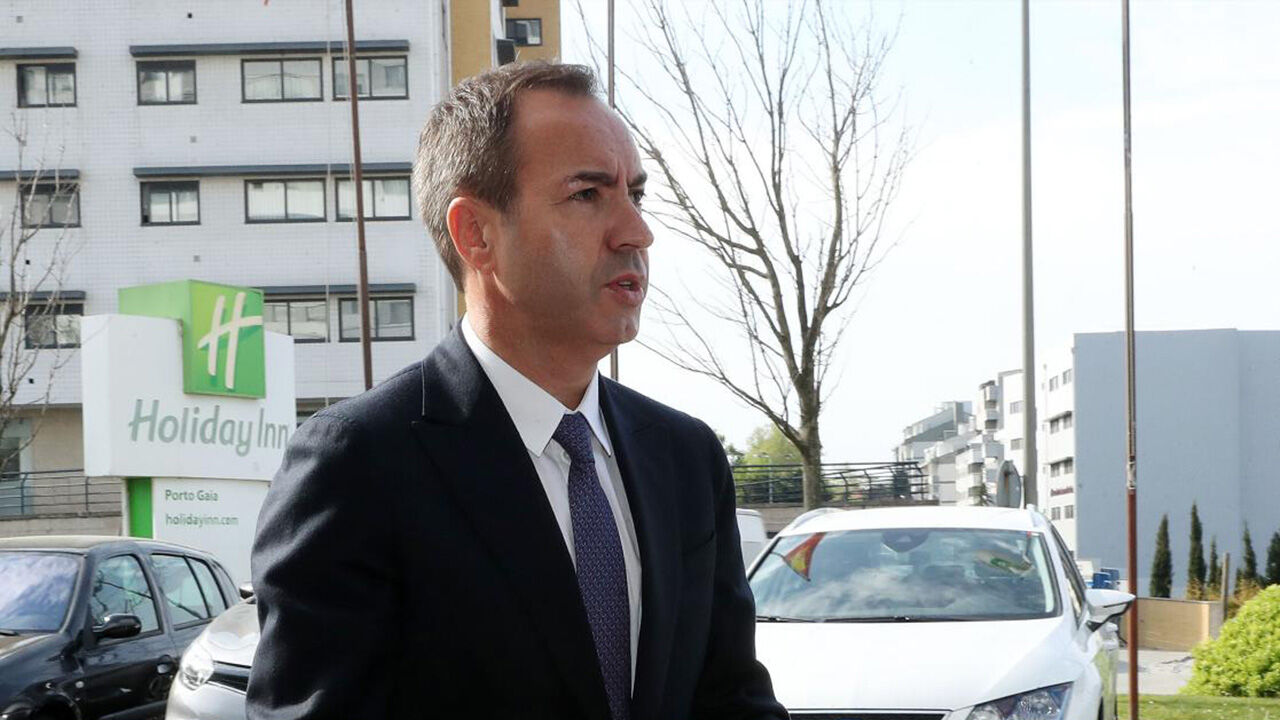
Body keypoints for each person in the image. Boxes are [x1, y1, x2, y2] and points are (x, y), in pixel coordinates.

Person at [248, 61, 787, 720]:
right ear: (476, 234)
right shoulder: (357, 465)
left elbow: (732, 698)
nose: (637, 232)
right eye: (588, 194)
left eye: (636, 195)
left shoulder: (686, 457)